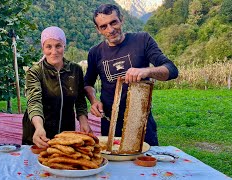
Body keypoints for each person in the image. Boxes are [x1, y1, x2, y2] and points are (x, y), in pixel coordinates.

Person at [84, 4, 179, 146]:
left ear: (121, 20)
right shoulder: (95, 53)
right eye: (104, 26)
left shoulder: (142, 40)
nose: (110, 30)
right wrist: (94, 101)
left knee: (145, 166)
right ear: (98, 30)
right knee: (115, 167)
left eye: (113, 22)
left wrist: (147, 71)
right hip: (110, 124)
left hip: (142, 123)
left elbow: (171, 70)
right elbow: (87, 83)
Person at [22, 26, 92, 148]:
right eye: (48, 46)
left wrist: (84, 122)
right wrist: (38, 127)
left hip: (66, 134)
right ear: (43, 48)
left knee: (66, 164)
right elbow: (34, 102)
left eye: (58, 46)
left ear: (64, 46)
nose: (54, 51)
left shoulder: (75, 70)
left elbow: (80, 100)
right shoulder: (35, 72)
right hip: (40, 134)